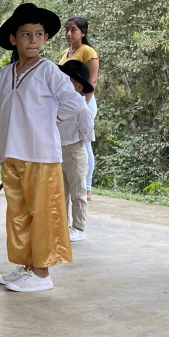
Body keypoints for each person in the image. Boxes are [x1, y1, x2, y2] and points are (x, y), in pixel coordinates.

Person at [0, 3, 86, 292]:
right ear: (13, 39)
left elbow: (74, 102)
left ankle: (42, 273)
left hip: (41, 154)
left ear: (45, 39)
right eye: (25, 35)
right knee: (18, 212)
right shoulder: (7, 74)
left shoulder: (49, 71)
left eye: (38, 34)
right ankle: (27, 265)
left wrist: (50, 118)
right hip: (12, 153)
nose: (32, 40)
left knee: (42, 212)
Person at [59, 16, 99, 201]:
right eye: (67, 29)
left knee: (84, 142)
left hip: (83, 101)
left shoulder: (88, 52)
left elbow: (91, 81)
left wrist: (82, 104)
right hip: (67, 102)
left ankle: (87, 186)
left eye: (73, 29)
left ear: (83, 32)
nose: (69, 33)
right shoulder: (65, 52)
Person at [56, 61, 95, 242]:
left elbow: (87, 129)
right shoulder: (57, 101)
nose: (64, 81)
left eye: (68, 79)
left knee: (77, 191)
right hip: (57, 149)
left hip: (75, 149)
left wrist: (78, 139)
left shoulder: (80, 104)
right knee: (61, 191)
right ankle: (62, 224)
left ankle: (79, 227)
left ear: (79, 86)